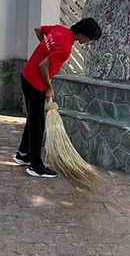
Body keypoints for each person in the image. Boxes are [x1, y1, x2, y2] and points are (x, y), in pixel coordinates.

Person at [15, 18, 102, 178]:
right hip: (36, 84)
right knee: (37, 125)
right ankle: (36, 167)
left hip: (26, 76)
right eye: (89, 39)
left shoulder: (59, 29)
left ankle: (23, 154)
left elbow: (38, 30)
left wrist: (45, 50)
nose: (88, 42)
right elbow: (43, 65)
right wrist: (49, 87)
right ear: (82, 34)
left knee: (33, 119)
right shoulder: (65, 48)